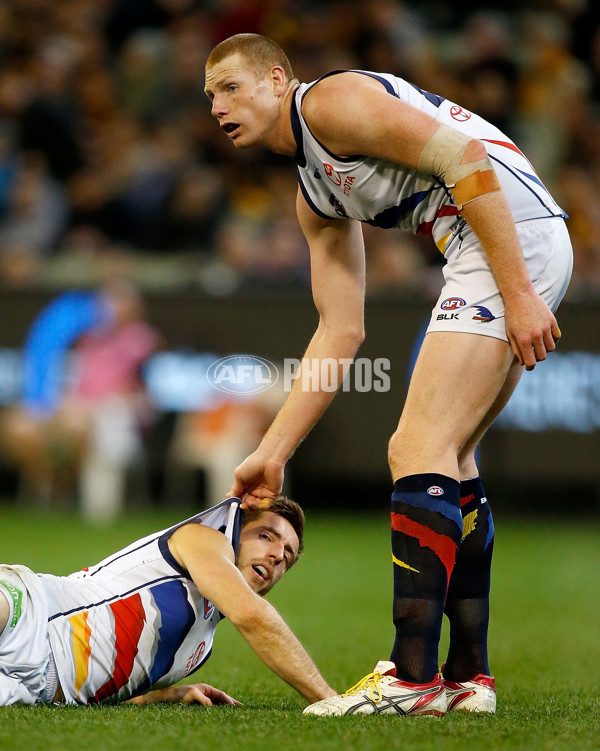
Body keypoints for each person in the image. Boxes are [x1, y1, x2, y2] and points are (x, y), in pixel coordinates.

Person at [203, 34, 573, 716]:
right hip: (512, 240)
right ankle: (467, 678)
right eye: (209, 96)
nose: (218, 104)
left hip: (507, 237)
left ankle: (410, 676)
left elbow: (464, 158)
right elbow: (340, 331)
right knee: (450, 456)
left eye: (231, 86)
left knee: (414, 448)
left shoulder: (332, 104)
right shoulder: (316, 196)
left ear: (278, 78)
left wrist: (518, 292)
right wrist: (273, 452)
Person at [0, 496, 336, 706]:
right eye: (266, 536)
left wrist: (163, 695)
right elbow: (252, 615)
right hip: (30, 611)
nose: (277, 555)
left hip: (30, 690)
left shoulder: (199, 649)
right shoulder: (202, 538)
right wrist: (331, 701)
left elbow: (106, 687)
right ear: (235, 532)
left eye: (287, 556)